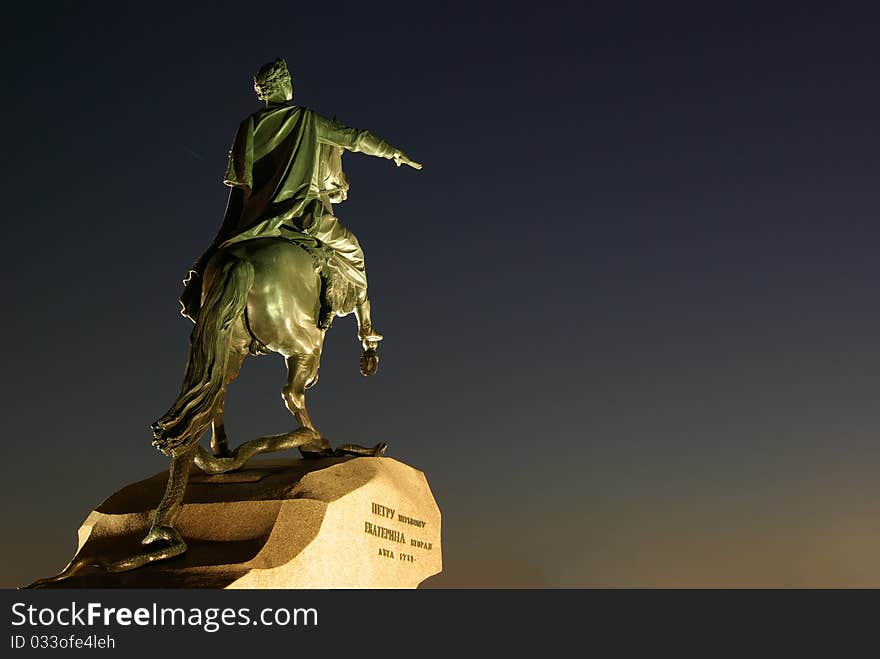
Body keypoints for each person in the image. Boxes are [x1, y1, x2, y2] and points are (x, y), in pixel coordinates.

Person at [180, 57, 421, 350]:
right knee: (355, 253)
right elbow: (353, 138)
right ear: (283, 84)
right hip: (302, 214)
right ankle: (366, 328)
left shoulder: (248, 126)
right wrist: (392, 152)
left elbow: (242, 182)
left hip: (251, 219)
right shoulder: (305, 119)